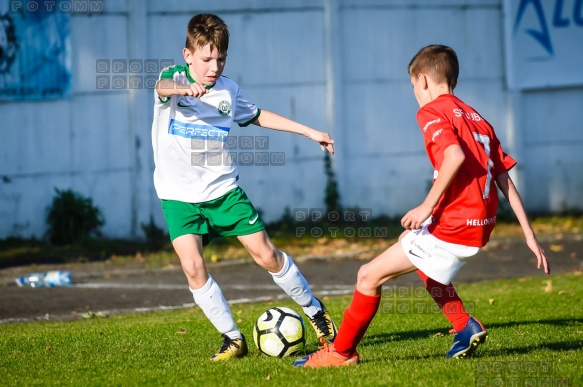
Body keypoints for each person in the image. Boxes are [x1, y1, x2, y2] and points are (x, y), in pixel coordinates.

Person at [293, 44, 550, 367]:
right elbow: (503, 178)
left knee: (367, 276)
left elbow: (453, 156)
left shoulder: (431, 111)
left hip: (455, 223)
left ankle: (341, 352)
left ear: (424, 80)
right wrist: (529, 234)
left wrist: (426, 206)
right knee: (417, 255)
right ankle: (464, 326)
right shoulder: (477, 118)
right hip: (480, 224)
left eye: (413, 84)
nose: (414, 92)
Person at [151, 13, 337, 361]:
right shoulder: (171, 79)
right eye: (206, 58)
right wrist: (182, 88)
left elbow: (258, 115)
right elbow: (160, 89)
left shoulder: (228, 90)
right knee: (192, 267)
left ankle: (314, 311)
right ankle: (232, 338)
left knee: (267, 255)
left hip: (223, 192)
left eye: (220, 58)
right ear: (188, 55)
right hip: (178, 197)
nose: (214, 66)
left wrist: (310, 131)